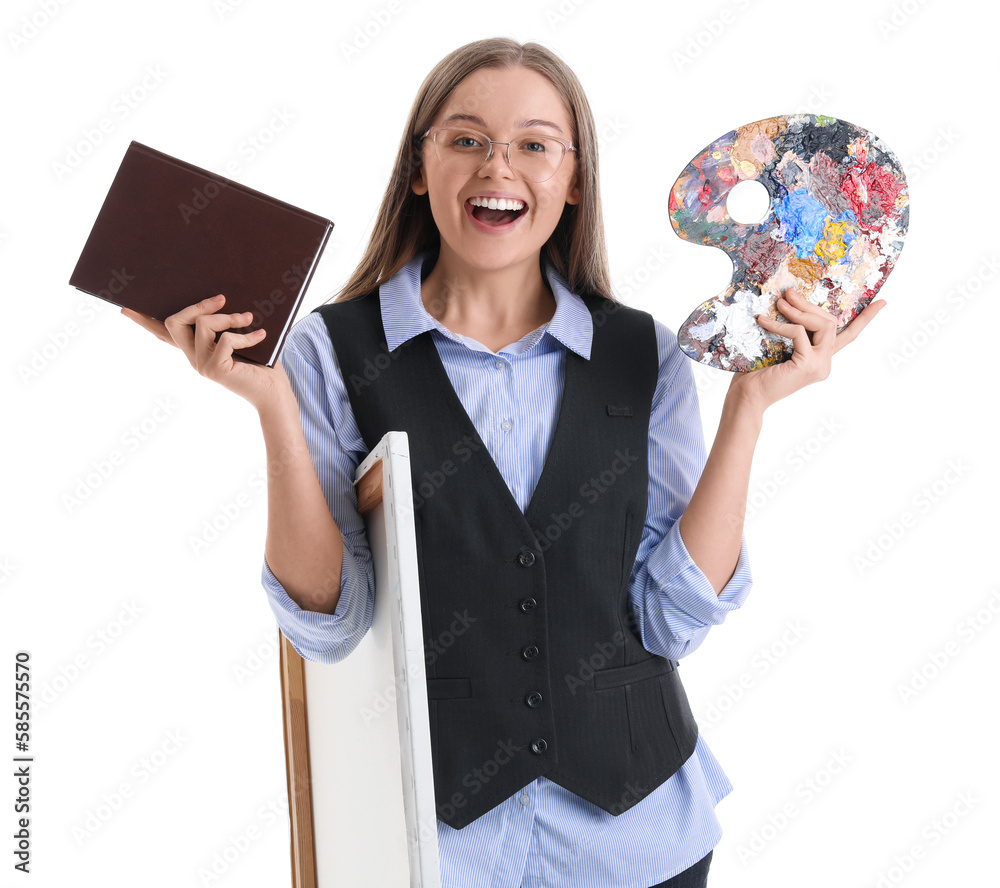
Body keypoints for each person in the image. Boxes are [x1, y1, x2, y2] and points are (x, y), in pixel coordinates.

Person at [124, 37, 882, 888]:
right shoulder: (331, 352)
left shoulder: (645, 356)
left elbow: (669, 620)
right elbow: (332, 624)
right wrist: (271, 408)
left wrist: (750, 405)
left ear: (574, 178)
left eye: (533, 144)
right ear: (419, 167)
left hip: (636, 840)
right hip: (434, 845)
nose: (500, 167)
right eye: (466, 139)